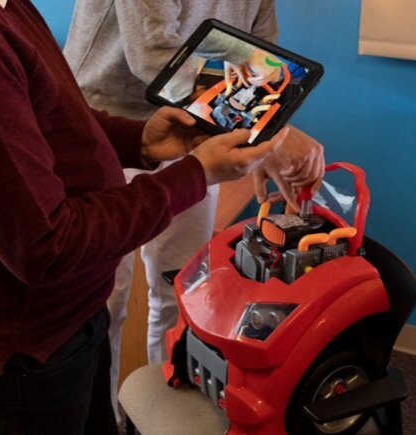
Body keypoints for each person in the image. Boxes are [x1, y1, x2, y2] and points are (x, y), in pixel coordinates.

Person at [0, 0, 294, 433]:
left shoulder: (4, 8)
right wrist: (195, 173)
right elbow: (46, 247)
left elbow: (54, 117)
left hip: (72, 318)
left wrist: (140, 143)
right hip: (26, 349)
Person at [63, 0, 325, 420]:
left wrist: (260, 141)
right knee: (103, 302)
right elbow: (154, 56)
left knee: (183, 286)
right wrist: (269, 131)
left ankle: (156, 412)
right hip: (107, 124)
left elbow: (258, 56)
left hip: (198, 128)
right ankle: (104, 419)